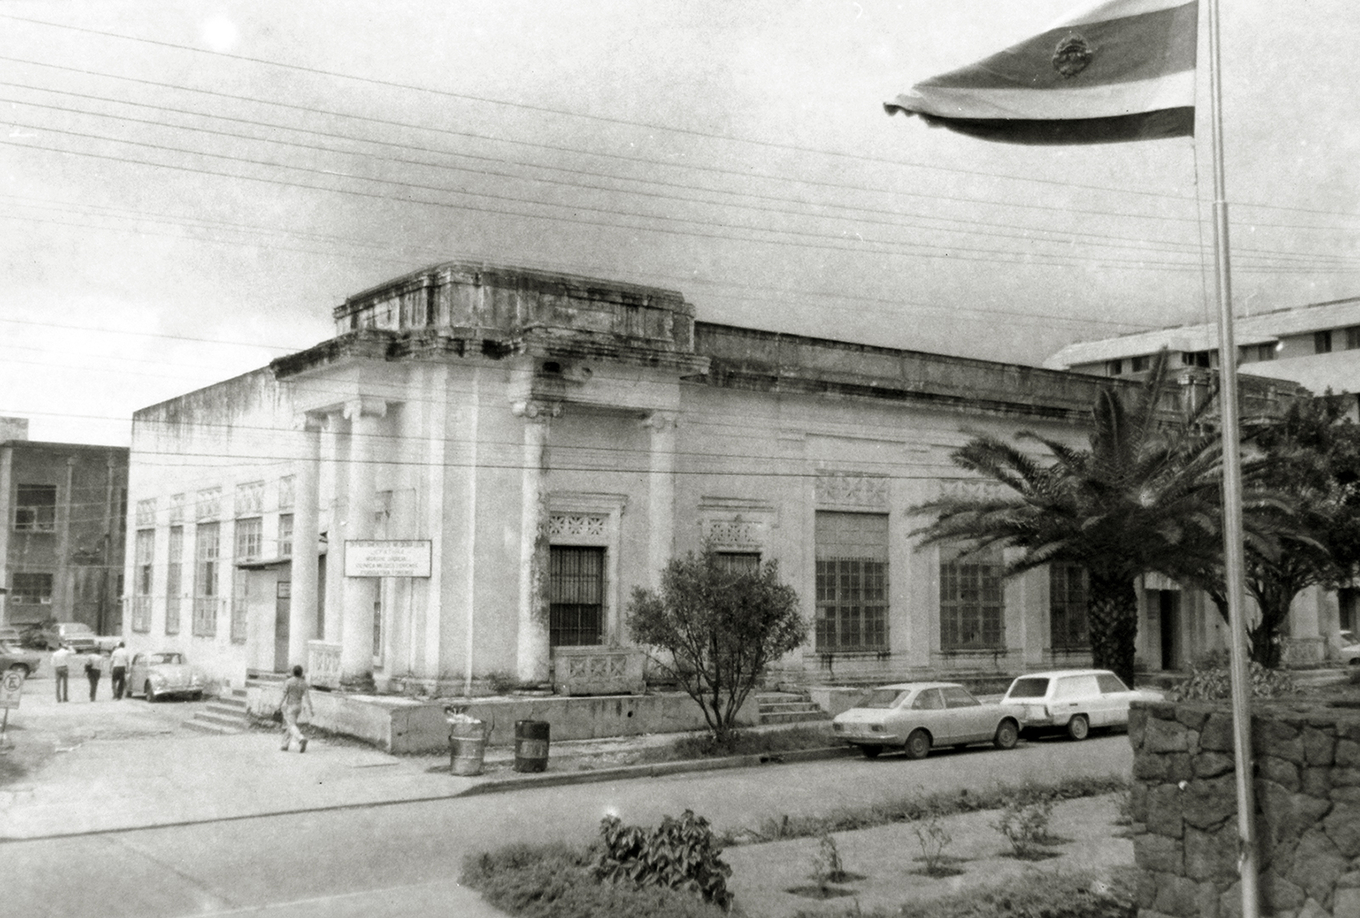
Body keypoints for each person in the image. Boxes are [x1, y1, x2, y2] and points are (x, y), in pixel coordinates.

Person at [279, 665, 313, 753]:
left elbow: (283, 695)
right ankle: (285, 745)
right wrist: (311, 709)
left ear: (293, 672)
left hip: (290, 706)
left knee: (291, 725)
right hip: (299, 706)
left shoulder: (289, 682)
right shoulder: (304, 683)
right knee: (291, 725)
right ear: (301, 673)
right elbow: (307, 698)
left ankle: (301, 739)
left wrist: (278, 705)